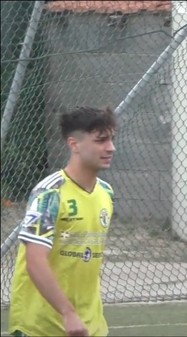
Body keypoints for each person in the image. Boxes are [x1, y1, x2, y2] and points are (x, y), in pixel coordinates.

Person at [9, 106, 117, 337]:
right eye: (101, 140)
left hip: (90, 326)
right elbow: (35, 260)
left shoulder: (106, 193)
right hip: (41, 326)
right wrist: (68, 313)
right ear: (74, 144)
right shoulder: (50, 194)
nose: (111, 148)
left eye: (112, 139)